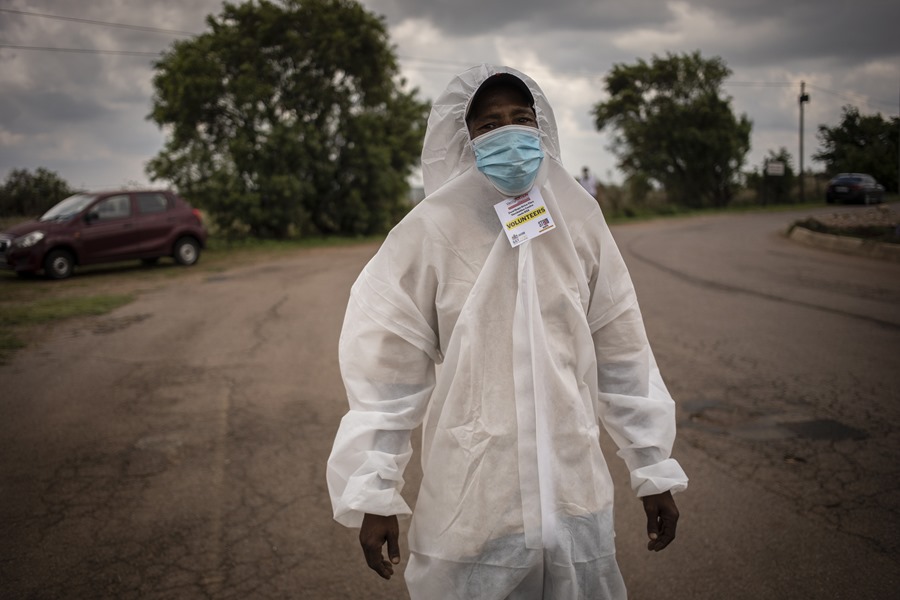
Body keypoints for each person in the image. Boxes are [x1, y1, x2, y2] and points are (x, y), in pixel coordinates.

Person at [327, 64, 688, 599]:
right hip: (474, 510)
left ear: (543, 128)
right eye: (490, 124)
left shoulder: (577, 221)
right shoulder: (430, 232)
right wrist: (376, 493)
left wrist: (653, 466)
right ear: (463, 138)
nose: (511, 135)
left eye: (522, 119)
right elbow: (386, 374)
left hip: (575, 503)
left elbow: (622, 350)